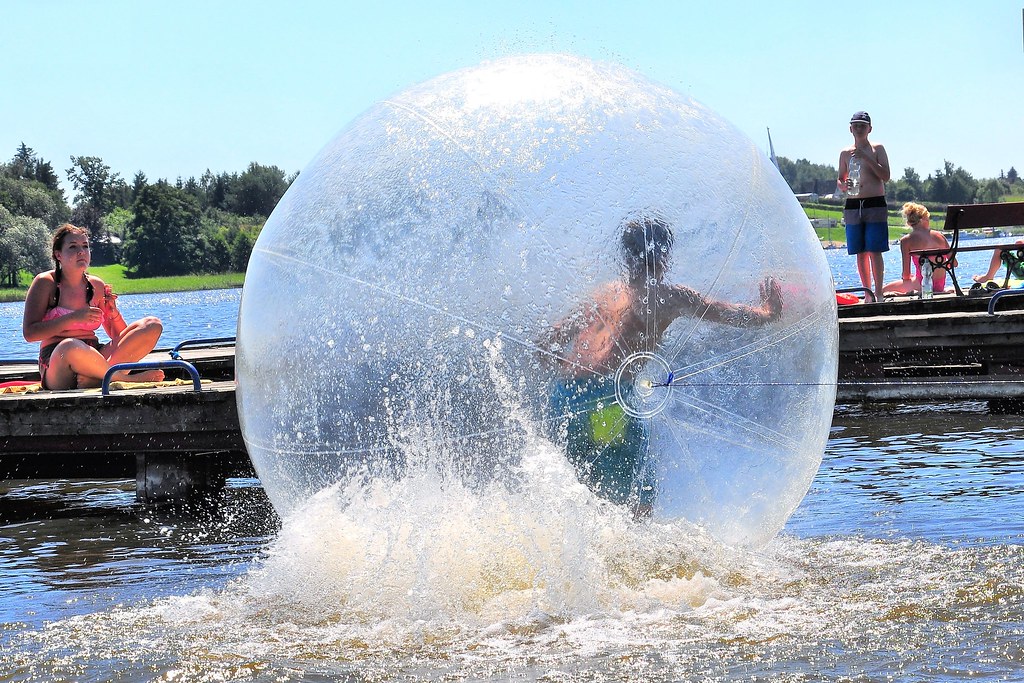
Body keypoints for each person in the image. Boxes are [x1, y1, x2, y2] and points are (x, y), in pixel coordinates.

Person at [538, 216, 783, 518]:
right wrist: (768, 312)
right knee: (637, 501)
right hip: (607, 404)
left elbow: (546, 341)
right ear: (664, 255)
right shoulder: (669, 296)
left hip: (563, 397)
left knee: (579, 491)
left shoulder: (603, 293)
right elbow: (727, 314)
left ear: (626, 256)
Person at [23, 223, 165, 390]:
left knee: (152, 325)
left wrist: (113, 313)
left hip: (96, 354)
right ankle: (117, 377)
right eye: (73, 247)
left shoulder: (96, 285)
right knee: (70, 345)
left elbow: (120, 338)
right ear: (58, 254)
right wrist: (73, 318)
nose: (81, 251)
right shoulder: (45, 282)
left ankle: (98, 378)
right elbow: (30, 333)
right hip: (58, 361)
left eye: (85, 246)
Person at [838, 111, 891, 302]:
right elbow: (840, 178)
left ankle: (879, 292)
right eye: (856, 125)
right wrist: (843, 185)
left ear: (870, 129)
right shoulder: (845, 153)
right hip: (853, 204)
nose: (859, 129)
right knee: (859, 251)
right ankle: (867, 292)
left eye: (862, 125)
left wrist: (866, 157)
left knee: (875, 249)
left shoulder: (878, 149)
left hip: (874, 202)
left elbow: (885, 176)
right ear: (850, 129)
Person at [881, 202, 952, 296]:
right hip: (939, 285)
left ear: (909, 222)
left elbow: (906, 275)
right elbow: (954, 263)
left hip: (921, 283)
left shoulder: (906, 240)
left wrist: (908, 277)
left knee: (883, 290)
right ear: (924, 219)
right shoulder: (940, 236)